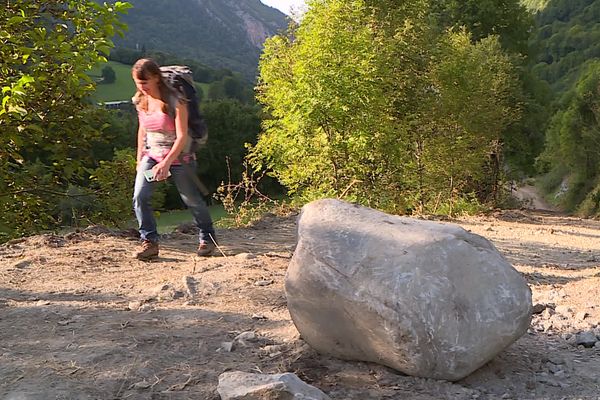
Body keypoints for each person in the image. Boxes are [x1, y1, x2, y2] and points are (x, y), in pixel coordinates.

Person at [131, 58, 216, 260]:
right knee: (140, 197)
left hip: (180, 158)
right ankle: (149, 241)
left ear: (156, 78)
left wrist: (166, 163)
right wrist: (139, 158)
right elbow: (142, 129)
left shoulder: (175, 100)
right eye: (138, 83)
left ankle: (207, 238)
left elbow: (182, 136)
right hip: (152, 155)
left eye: (145, 83)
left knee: (191, 200)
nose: (142, 87)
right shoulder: (140, 100)